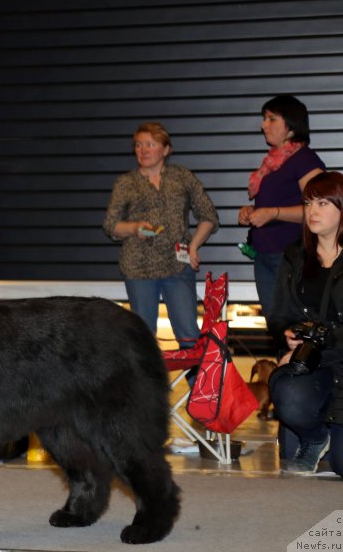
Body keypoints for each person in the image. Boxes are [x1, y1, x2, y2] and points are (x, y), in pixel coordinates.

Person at [103, 122, 219, 348]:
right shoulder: (125, 182)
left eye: (150, 144)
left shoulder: (182, 176)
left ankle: (196, 373)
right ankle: (148, 373)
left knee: (189, 334)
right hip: (138, 268)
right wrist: (134, 228)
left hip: (178, 265)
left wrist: (193, 246)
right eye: (138, 145)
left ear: (166, 149)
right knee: (143, 338)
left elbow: (209, 216)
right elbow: (111, 225)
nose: (143, 150)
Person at [268, 171, 343, 477]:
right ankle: (314, 437)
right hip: (313, 362)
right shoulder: (295, 255)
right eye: (309, 203)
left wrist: (320, 347)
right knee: (286, 389)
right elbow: (279, 313)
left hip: (336, 357)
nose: (313, 210)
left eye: (323, 203)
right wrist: (287, 335)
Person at [238, 95, 325, 321]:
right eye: (264, 119)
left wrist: (272, 213)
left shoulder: (305, 160)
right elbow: (278, 203)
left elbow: (320, 210)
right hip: (266, 254)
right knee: (278, 325)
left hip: (290, 257)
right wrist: (253, 211)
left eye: (271, 119)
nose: (263, 125)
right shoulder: (273, 163)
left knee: (293, 325)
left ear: (291, 125)